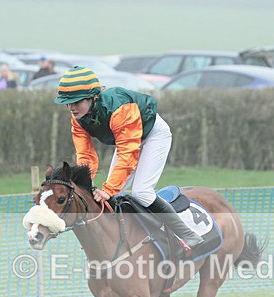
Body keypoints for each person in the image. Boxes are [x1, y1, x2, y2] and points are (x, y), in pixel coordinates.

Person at [53, 66, 203, 254]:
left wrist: (108, 189)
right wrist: (84, 185)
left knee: (142, 193)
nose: (71, 107)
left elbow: (128, 152)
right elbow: (86, 157)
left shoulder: (119, 107)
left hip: (153, 136)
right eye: (67, 103)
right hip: (128, 143)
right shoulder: (78, 118)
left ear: (93, 97)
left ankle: (188, 235)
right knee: (114, 199)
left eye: (76, 101)